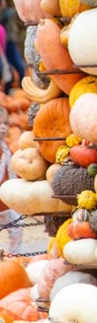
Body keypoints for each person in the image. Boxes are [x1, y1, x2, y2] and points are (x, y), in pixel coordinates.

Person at [0, 108, 22, 255]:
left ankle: (13, 256)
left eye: (6, 123)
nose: (3, 127)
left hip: (6, 202)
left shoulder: (6, 148)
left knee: (17, 225)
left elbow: (14, 169)